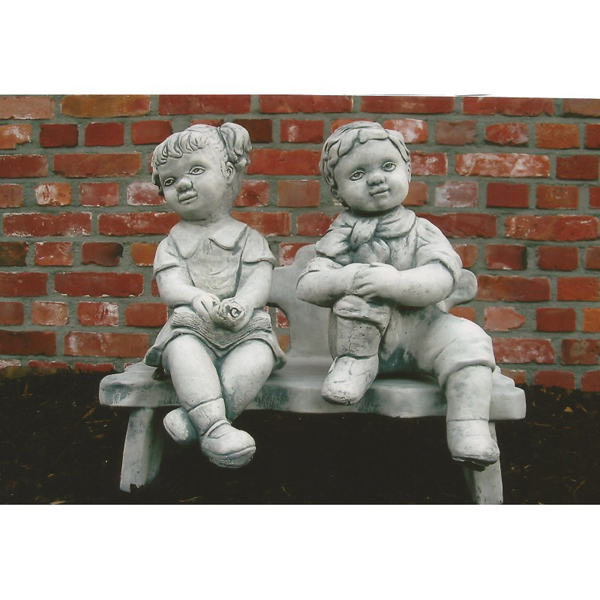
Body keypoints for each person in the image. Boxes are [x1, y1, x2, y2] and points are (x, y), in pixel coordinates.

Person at [296, 121, 499, 469]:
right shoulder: (341, 234)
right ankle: (355, 366)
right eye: (358, 174)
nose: (376, 179)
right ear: (338, 192)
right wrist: (348, 277)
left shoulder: (422, 230)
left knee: (471, 340)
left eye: (387, 166)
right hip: (362, 339)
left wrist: (396, 284)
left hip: (424, 333)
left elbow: (442, 276)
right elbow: (308, 284)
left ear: (407, 171)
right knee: (358, 295)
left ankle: (468, 426)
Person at [145, 123, 285, 468]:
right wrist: (194, 297)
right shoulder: (172, 244)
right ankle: (216, 430)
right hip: (192, 327)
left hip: (243, 327)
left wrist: (244, 302)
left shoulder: (249, 239)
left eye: (196, 170)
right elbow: (170, 286)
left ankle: (199, 422)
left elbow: (259, 280)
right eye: (170, 180)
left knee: (259, 357)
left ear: (227, 173)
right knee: (183, 351)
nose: (183, 184)